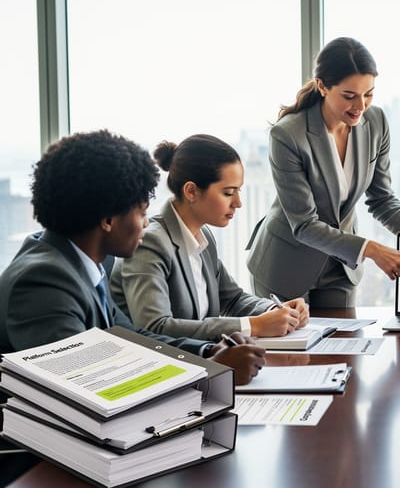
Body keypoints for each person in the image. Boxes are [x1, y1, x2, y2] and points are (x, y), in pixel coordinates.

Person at [0, 130, 266, 483]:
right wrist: (208, 374)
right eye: (141, 212)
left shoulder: (83, 264)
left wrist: (209, 352)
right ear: (108, 219)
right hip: (36, 467)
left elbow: (131, 339)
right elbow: (85, 389)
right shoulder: (44, 282)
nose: (146, 223)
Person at [246, 37, 400, 307]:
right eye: (349, 96)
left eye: (368, 94)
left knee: (346, 335)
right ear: (322, 86)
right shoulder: (288, 135)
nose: (361, 106)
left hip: (341, 266)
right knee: (292, 336)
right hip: (286, 265)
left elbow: (381, 198)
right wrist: (371, 249)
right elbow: (305, 224)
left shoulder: (376, 123)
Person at [110, 134, 309, 340]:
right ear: (191, 191)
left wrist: (275, 310)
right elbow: (155, 327)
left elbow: (232, 299)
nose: (238, 203)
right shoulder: (150, 243)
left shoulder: (203, 235)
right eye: (228, 193)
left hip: (201, 355)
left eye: (238, 191)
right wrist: (254, 325)